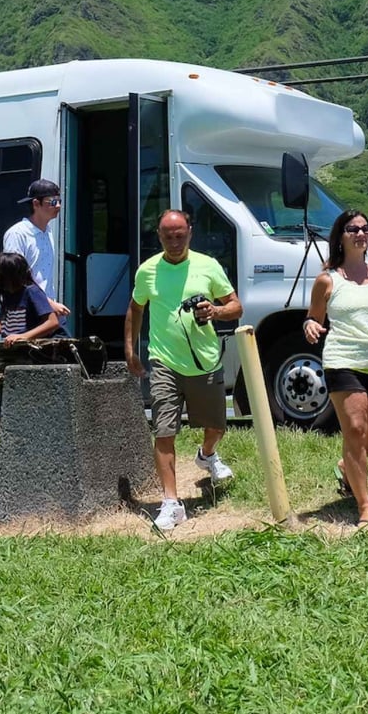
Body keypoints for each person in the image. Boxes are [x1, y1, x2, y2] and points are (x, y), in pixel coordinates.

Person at [125, 209, 244, 531]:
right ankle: (171, 503)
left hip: (204, 361)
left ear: (190, 233)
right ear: (159, 237)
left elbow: (236, 306)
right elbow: (136, 308)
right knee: (164, 431)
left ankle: (207, 455)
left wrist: (215, 311)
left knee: (217, 426)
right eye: (168, 236)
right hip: (163, 361)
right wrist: (130, 348)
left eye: (180, 235)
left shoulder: (208, 265)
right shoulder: (147, 271)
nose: (175, 241)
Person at [303, 210, 368, 526]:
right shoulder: (327, 280)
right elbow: (313, 317)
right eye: (352, 229)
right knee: (356, 430)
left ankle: (347, 467)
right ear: (341, 237)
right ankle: (364, 506)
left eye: (365, 228)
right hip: (342, 360)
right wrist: (309, 325)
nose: (360, 233)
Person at [0, 251, 63, 348]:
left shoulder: (31, 292)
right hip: (15, 347)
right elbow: (1, 324)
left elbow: (52, 322)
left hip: (33, 349)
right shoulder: (8, 295)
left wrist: (24, 337)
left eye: (0, 276)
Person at [3, 178, 72, 324]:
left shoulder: (48, 231)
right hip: (28, 313)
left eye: (59, 201)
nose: (58, 206)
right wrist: (48, 304)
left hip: (48, 312)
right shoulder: (17, 234)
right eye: (53, 202)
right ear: (36, 203)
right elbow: (17, 278)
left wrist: (50, 304)